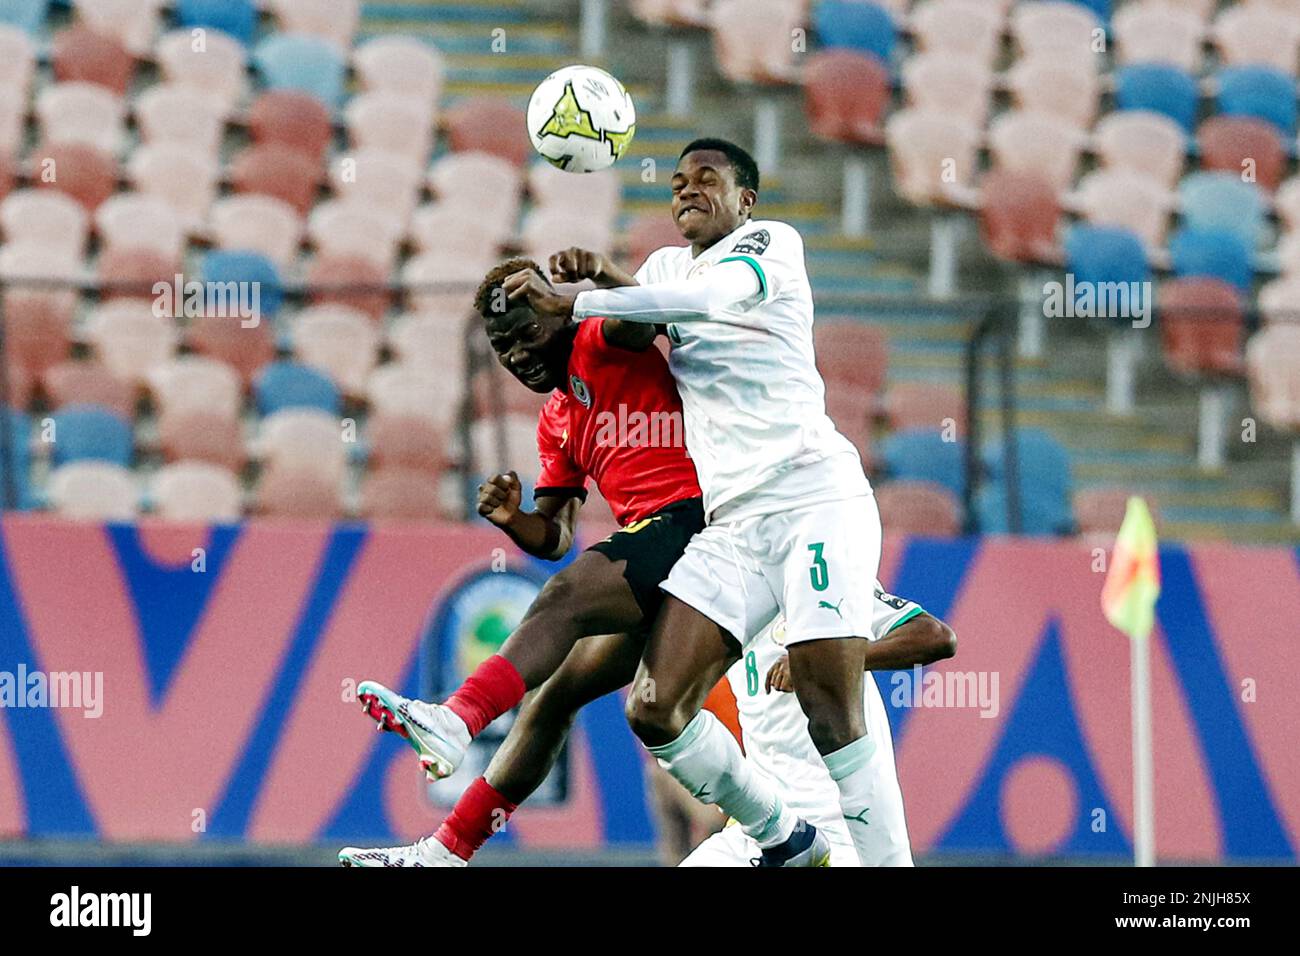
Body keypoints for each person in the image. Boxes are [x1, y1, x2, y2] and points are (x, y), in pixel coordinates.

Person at [502, 137, 902, 866]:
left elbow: (708, 300)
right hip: (733, 522)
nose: (686, 189)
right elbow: (631, 327)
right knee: (654, 706)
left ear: (744, 200)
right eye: (678, 181)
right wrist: (592, 285)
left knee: (829, 705)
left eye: (706, 179)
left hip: (812, 495)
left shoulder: (771, 245)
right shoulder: (660, 268)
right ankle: (781, 834)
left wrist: (582, 295)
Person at [682, 596, 954, 867]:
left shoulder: (824, 587)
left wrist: (821, 663)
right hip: (765, 832)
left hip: (843, 837)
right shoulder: (724, 606)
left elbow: (935, 636)